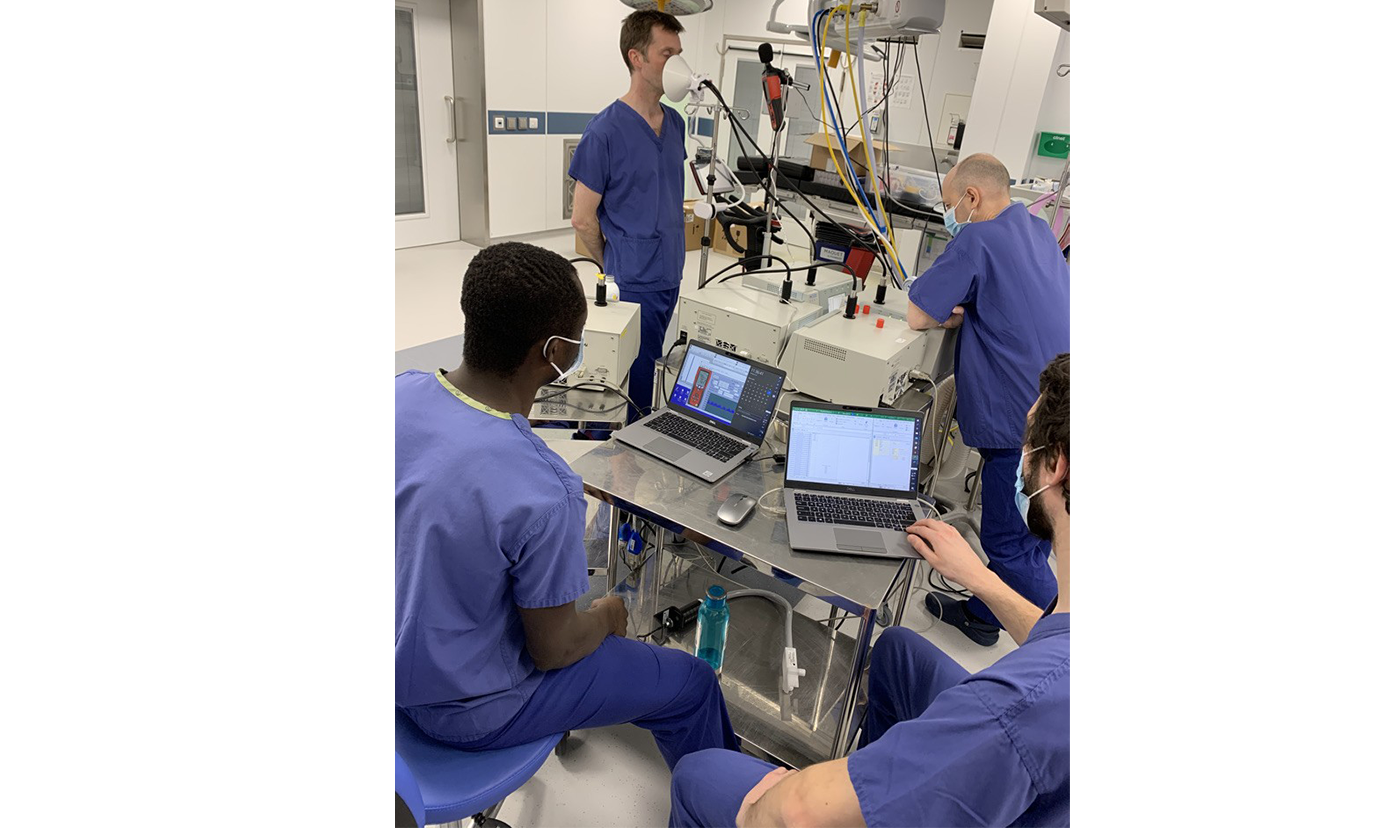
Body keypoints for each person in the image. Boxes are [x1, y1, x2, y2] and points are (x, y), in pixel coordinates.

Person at [668, 354, 1071, 828]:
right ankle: (867, 774)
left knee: (697, 774)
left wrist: (781, 799)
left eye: (1027, 439)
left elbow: (795, 812)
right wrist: (977, 577)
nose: (1020, 454)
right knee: (897, 649)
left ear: (1054, 465)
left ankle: (863, 800)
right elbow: (1054, 642)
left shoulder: (1010, 709)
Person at [395, 241, 738, 769]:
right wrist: (604, 616)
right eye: (578, 341)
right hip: (470, 710)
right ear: (554, 352)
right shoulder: (546, 488)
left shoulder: (399, 394)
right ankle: (724, 799)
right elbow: (553, 650)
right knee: (692, 683)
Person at [905, 153, 1070, 646]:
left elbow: (917, 314)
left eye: (950, 203)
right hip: (1059, 408)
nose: (949, 214)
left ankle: (1061, 649)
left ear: (972, 197)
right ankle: (983, 614)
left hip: (1019, 426)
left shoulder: (976, 239)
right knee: (1031, 533)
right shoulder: (1038, 230)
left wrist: (953, 312)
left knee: (1009, 547)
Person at [569, 10, 689, 421]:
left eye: (679, 53)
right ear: (636, 58)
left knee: (652, 366)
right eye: (667, 53)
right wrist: (613, 264)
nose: (677, 63)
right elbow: (582, 218)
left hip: (670, 272)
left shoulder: (675, 124)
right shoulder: (604, 131)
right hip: (633, 279)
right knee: (634, 382)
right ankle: (628, 452)